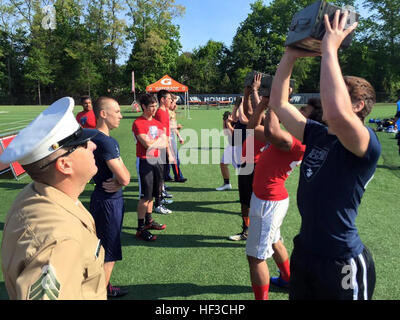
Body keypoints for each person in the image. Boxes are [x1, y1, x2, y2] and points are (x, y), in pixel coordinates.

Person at [268, 11, 380, 300]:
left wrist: (331, 47)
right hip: (305, 252)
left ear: (358, 106)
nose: (328, 93)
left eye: (340, 92)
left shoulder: (365, 145)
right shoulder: (317, 133)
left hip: (342, 261)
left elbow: (335, 112)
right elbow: (279, 104)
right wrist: (290, 55)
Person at [0, 97, 106, 300]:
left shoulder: (38, 193)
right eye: (83, 143)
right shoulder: (60, 241)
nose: (92, 145)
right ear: (65, 165)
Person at [246, 95, 324, 300]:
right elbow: (252, 129)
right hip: (270, 200)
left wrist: (275, 101)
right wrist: (263, 104)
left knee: (255, 257)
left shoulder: (294, 141)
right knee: (275, 241)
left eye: (304, 111)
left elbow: (270, 131)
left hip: (267, 202)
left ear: (310, 122)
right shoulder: (287, 137)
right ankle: (288, 279)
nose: (298, 111)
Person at [89, 97, 130, 298]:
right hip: (109, 200)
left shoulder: (93, 136)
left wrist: (122, 179)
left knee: (100, 245)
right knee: (108, 249)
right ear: (103, 114)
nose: (121, 116)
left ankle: (102, 286)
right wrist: (123, 179)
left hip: (100, 196)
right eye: (117, 111)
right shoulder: (106, 141)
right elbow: (125, 177)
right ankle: (101, 293)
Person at [132, 93, 169, 241]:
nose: (154, 109)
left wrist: (156, 142)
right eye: (151, 106)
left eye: (155, 106)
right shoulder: (138, 123)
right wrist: (158, 141)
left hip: (157, 160)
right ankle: (140, 228)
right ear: (143, 107)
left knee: (153, 194)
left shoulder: (158, 123)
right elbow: (146, 145)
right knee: (144, 196)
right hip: (144, 161)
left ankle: (149, 221)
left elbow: (165, 143)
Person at [216, 101, 240, 191]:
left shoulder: (240, 119)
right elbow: (226, 133)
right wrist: (225, 121)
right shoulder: (232, 118)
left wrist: (229, 123)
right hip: (231, 146)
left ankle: (247, 188)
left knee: (241, 170)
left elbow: (236, 133)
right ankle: (227, 184)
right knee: (223, 164)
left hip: (238, 147)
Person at [166, 94, 187, 183]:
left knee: (168, 158)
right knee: (174, 158)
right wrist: (175, 127)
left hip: (171, 137)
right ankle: (178, 176)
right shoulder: (167, 112)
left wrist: (179, 136)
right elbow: (166, 126)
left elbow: (172, 127)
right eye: (173, 102)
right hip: (168, 137)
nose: (176, 105)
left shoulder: (171, 112)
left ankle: (166, 175)